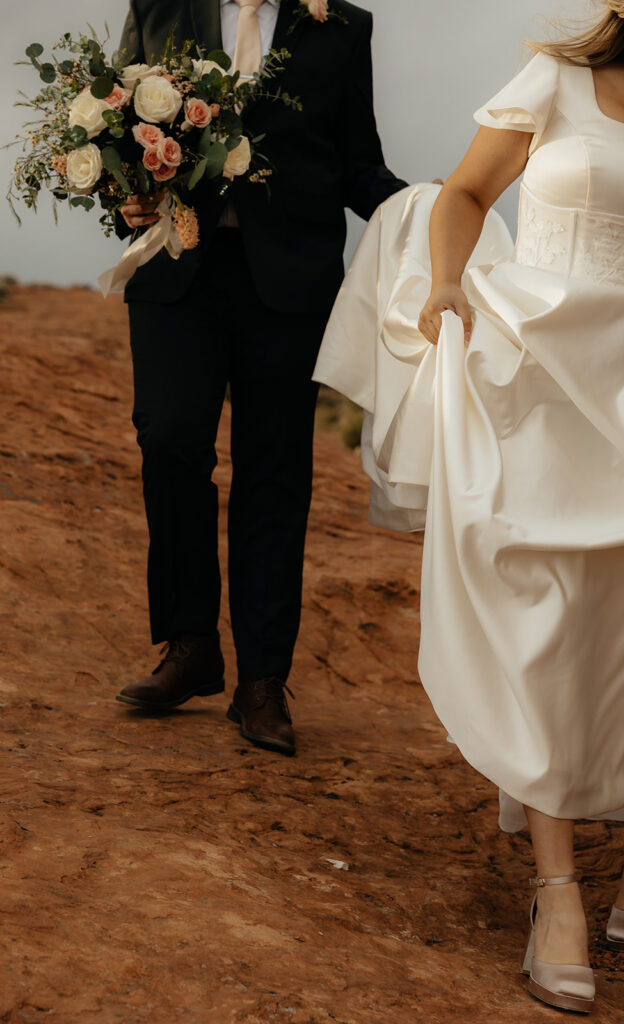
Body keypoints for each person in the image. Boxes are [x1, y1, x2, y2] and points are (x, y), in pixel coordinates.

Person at [314, 0, 624, 1013]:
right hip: (540, 373)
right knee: (544, 623)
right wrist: (444, 284)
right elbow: (468, 196)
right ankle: (556, 890)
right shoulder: (552, 83)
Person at [113, 0, 407, 756]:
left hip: (290, 285)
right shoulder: (159, 5)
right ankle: (189, 647)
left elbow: (355, 161)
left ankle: (261, 682)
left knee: (274, 473)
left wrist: (433, 208)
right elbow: (117, 124)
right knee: (170, 439)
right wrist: (123, 193)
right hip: (176, 270)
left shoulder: (344, 26)